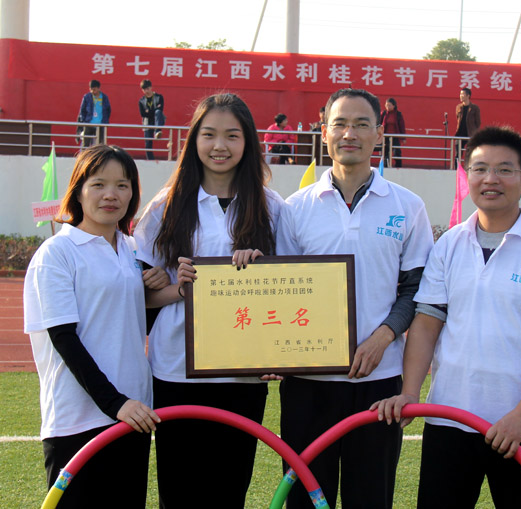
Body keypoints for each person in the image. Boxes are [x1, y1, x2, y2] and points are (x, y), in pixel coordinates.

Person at [372, 126, 521, 509]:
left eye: (505, 170)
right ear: (467, 176)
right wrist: (410, 392)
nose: (491, 179)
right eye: (480, 169)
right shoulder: (449, 245)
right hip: (448, 422)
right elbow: (426, 324)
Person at [276, 88, 433, 508]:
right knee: (305, 498)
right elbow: (281, 290)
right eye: (340, 124)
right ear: (323, 131)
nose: (350, 134)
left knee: (371, 497)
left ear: (379, 134)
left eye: (362, 124)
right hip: (306, 384)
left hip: (379, 384)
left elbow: (415, 289)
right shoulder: (294, 208)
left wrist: (383, 336)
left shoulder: (407, 206)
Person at [133, 93, 284, 508]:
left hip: (243, 373)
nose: (220, 146)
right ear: (194, 140)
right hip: (176, 370)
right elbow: (140, 296)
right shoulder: (166, 205)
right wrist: (175, 288)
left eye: (232, 135)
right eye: (209, 135)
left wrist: (261, 269)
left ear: (248, 141)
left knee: (229, 489)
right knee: (179, 490)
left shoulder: (272, 207)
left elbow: (288, 286)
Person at [23, 145, 166, 508]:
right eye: (99, 184)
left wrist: (169, 285)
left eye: (122, 185)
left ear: (132, 194)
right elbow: (64, 339)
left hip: (132, 416)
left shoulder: (132, 250)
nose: (110, 195)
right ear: (78, 191)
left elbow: (131, 323)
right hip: (78, 421)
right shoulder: (57, 252)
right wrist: (115, 403)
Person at [77, 80, 111, 147]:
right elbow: (82, 110)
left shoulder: (104, 97)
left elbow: (108, 110)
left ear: (98, 88)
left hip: (100, 125)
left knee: (100, 145)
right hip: (89, 124)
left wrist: (105, 121)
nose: (92, 91)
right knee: (86, 144)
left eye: (94, 89)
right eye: (91, 89)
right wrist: (84, 121)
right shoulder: (87, 97)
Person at [139, 79, 166, 160]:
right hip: (147, 122)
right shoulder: (141, 101)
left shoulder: (159, 97)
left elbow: (160, 109)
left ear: (151, 87)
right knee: (148, 144)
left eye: (147, 88)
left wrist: (149, 111)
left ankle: (158, 131)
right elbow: (143, 114)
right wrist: (153, 110)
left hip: (157, 120)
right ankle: (150, 160)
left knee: (158, 112)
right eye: (144, 89)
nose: (146, 91)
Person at [454, 87, 481, 164]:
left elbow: (478, 122)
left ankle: (468, 168)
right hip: (460, 134)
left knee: (469, 154)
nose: (460, 96)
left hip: (470, 134)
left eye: (462, 94)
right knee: (458, 154)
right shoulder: (458, 107)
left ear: (468, 96)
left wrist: (473, 131)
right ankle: (457, 168)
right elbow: (458, 119)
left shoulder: (475, 108)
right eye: (460, 94)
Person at [380, 97, 406, 168]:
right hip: (385, 137)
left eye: (389, 105)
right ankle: (385, 166)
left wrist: (403, 138)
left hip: (395, 137)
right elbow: (379, 124)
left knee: (396, 152)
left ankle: (398, 166)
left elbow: (401, 126)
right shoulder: (383, 114)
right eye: (386, 105)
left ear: (394, 106)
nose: (387, 107)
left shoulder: (398, 115)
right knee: (385, 152)